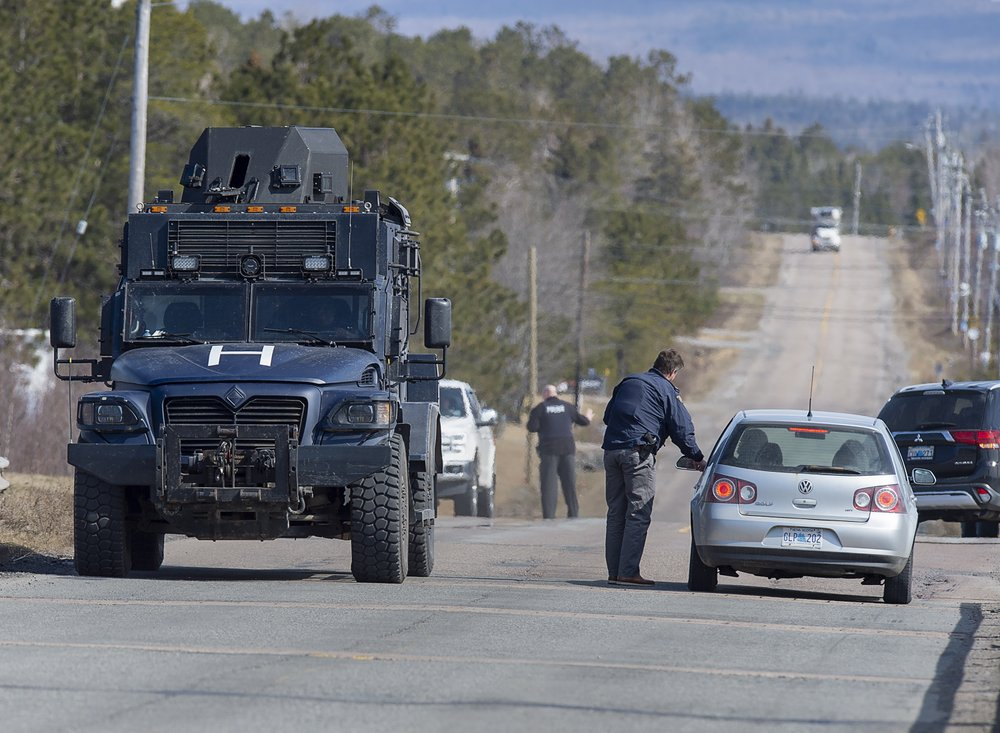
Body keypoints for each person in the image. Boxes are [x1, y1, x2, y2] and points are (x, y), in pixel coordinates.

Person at [602, 348, 706, 587]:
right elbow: (681, 427)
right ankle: (627, 572)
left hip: (611, 452)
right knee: (638, 513)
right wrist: (696, 456)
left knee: (616, 513)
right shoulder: (666, 389)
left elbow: (608, 417)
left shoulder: (628, 382)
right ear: (672, 372)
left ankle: (615, 571)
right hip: (637, 454)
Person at [527, 385, 594, 519]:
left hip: (549, 450)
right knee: (569, 483)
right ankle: (574, 514)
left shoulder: (540, 408)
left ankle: (549, 516)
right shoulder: (568, 407)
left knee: (549, 485)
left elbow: (532, 427)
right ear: (555, 393)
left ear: (545, 394)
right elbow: (583, 421)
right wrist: (588, 416)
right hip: (567, 449)